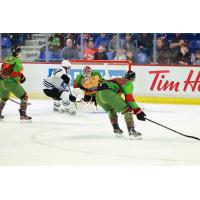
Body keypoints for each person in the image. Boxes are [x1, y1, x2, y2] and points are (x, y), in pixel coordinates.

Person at [95, 71, 146, 140]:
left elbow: (117, 97)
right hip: (107, 93)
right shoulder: (128, 83)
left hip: (98, 95)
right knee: (127, 110)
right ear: (133, 78)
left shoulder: (118, 79)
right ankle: (132, 131)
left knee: (111, 109)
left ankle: (116, 129)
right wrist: (138, 111)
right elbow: (130, 99)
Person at [0, 46, 31, 121]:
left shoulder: (7, 58)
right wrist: (21, 78)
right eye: (20, 52)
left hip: (1, 82)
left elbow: (3, 71)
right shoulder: (17, 61)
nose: (20, 54)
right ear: (17, 53)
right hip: (10, 83)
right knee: (24, 97)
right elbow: (15, 74)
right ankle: (23, 115)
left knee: (4, 98)